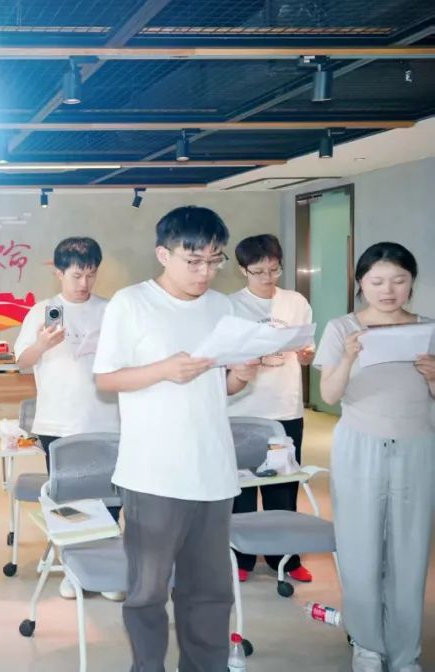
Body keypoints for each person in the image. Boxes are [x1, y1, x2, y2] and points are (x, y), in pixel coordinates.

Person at [94, 206, 258, 672]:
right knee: (147, 591)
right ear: (164, 255)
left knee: (210, 591)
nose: (205, 272)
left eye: (214, 261)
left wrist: (241, 376)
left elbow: (220, 387)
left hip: (214, 471)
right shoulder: (131, 303)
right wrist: (164, 370)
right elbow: (106, 379)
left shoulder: (223, 307)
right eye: (194, 261)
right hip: (154, 473)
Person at [314, 242, 434, 672]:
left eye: (399, 281)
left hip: (416, 446)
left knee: (411, 553)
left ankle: (405, 653)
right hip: (359, 446)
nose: (388, 290)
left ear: (411, 283)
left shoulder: (428, 329)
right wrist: (348, 357)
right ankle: (366, 646)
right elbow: (329, 395)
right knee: (359, 549)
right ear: (361, 283)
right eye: (377, 281)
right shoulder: (341, 328)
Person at [14, 236, 121, 601]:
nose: (84, 283)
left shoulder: (111, 310)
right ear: (59, 273)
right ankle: (74, 569)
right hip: (58, 422)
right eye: (76, 275)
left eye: (91, 274)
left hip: (107, 419)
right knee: (69, 499)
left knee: (109, 496)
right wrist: (42, 345)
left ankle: (107, 569)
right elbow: (21, 361)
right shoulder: (42, 311)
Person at [227, 234, 316, 584]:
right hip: (243, 410)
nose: (267, 277)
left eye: (274, 270)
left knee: (283, 488)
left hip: (285, 408)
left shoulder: (295, 302)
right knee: (242, 490)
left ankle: (287, 560)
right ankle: (242, 557)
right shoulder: (230, 306)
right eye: (259, 271)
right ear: (243, 270)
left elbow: (307, 350)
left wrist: (306, 354)